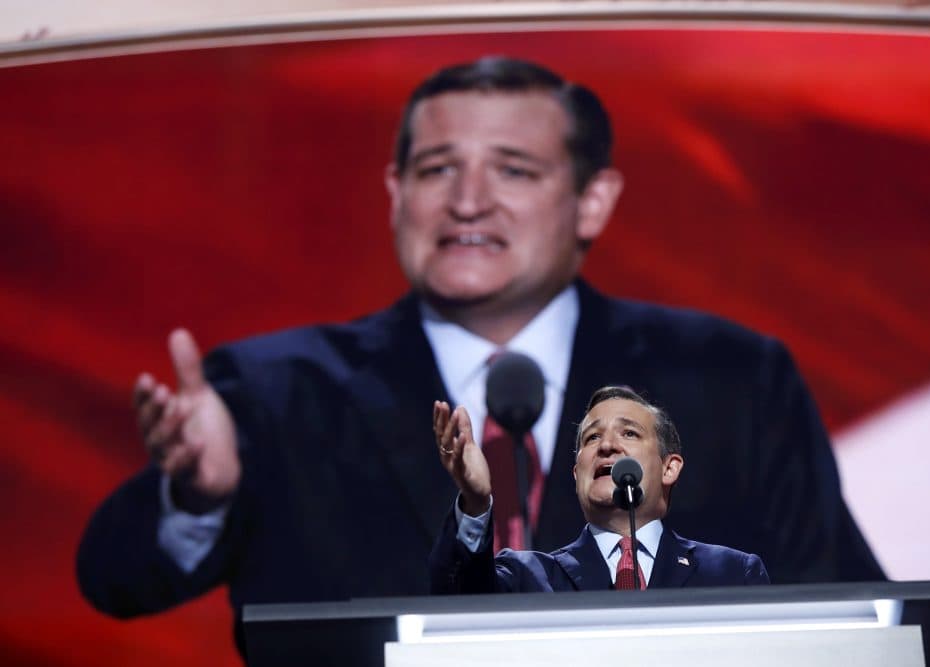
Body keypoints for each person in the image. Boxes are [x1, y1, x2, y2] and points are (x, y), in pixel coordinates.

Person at [76, 56, 881, 654]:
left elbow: (858, 622)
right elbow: (113, 579)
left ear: (591, 200)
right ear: (396, 196)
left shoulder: (734, 381)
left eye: (513, 169)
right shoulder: (272, 389)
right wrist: (197, 497)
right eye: (437, 169)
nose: (467, 201)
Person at [430, 386, 769, 592]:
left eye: (630, 433)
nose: (607, 445)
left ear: (670, 468)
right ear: (578, 474)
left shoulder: (732, 574)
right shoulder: (528, 578)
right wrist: (475, 503)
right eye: (592, 438)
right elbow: (457, 599)